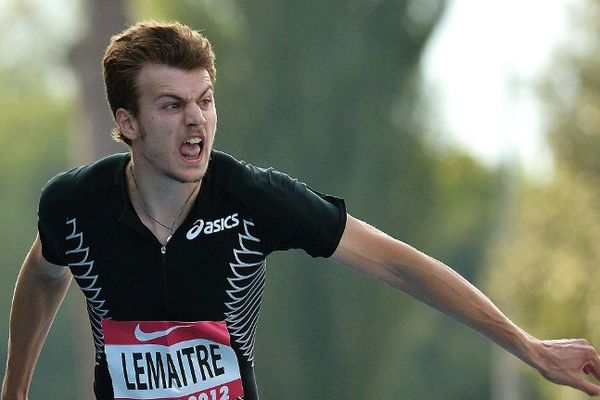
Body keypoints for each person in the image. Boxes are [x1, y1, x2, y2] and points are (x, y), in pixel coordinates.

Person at [2, 20, 600, 400]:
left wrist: (532, 348)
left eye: (205, 101)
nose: (196, 121)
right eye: (170, 105)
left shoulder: (254, 199)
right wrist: (16, 388)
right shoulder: (74, 205)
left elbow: (400, 265)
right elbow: (44, 274)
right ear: (125, 123)